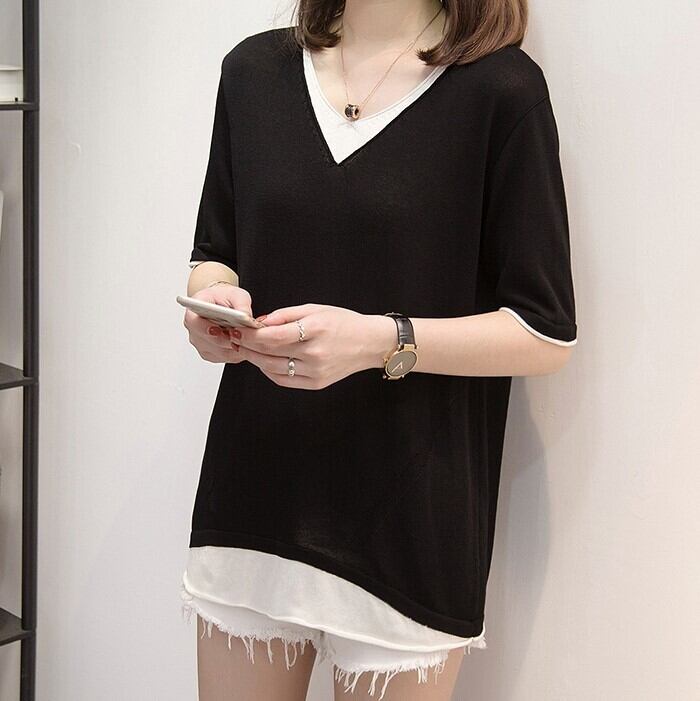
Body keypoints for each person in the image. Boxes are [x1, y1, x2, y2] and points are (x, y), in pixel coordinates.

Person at [179, 0, 577, 699]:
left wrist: (379, 340)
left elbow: (543, 332)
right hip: (253, 496)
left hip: (411, 527)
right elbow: (215, 252)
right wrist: (215, 306)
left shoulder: (502, 91)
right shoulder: (252, 71)